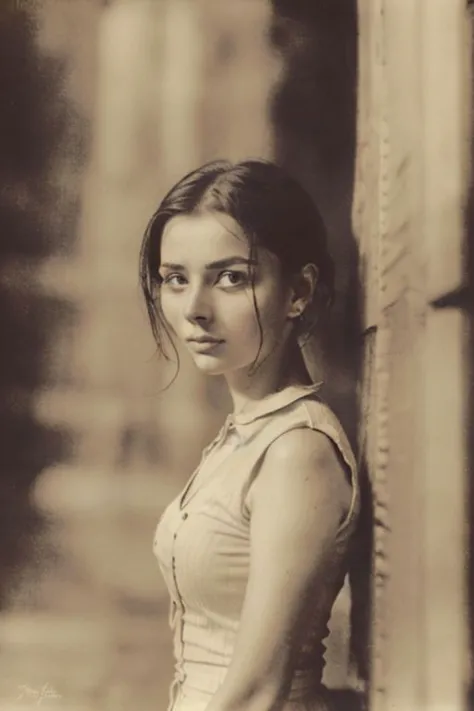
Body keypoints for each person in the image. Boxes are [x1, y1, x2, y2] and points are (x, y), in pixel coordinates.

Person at [139, 159, 360, 711]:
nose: (194, 310)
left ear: (298, 292)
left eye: (231, 277)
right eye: (176, 279)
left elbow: (259, 690)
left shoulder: (297, 452)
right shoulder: (247, 433)